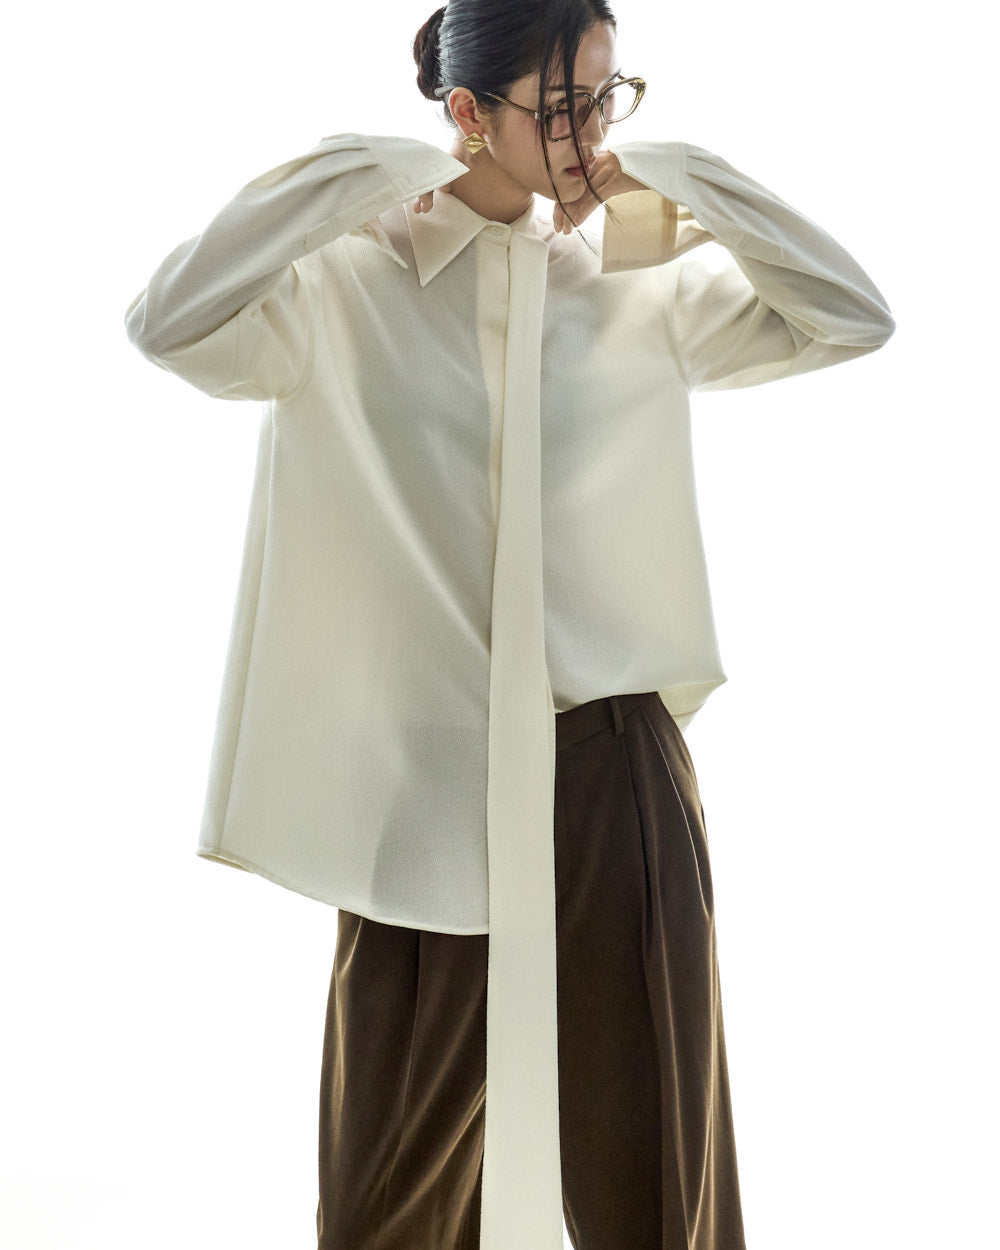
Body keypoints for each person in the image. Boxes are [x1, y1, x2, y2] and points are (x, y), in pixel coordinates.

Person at [124, 0, 895, 1246]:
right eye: (563, 105)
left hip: (609, 774)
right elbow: (167, 321)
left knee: (657, 1195)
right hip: (426, 785)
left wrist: (681, 179)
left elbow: (851, 314)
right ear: (467, 113)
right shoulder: (344, 286)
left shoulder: (629, 284)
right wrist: (362, 170)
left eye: (608, 95)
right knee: (381, 1203)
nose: (591, 132)